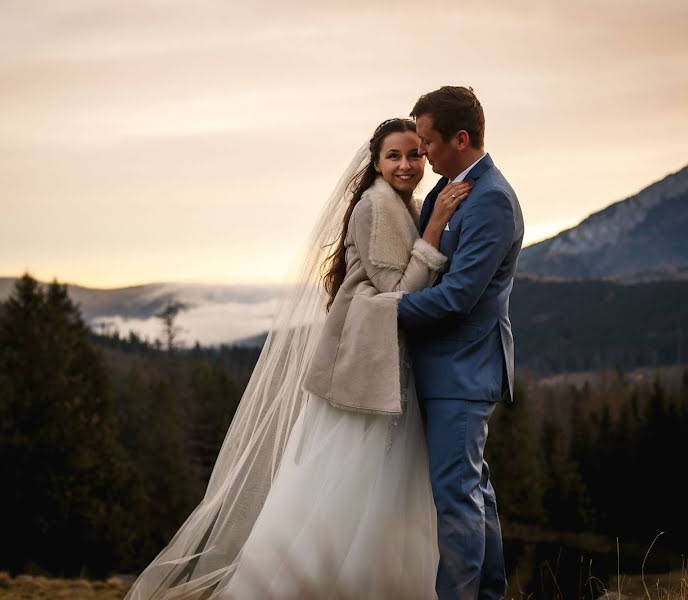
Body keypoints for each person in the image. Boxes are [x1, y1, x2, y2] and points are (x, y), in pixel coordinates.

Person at [123, 117, 471, 600]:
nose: (407, 164)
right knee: (349, 482)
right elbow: (399, 291)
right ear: (375, 163)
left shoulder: (399, 205)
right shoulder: (379, 206)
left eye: (415, 154)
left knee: (361, 484)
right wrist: (434, 229)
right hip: (367, 368)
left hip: (379, 364)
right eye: (394, 155)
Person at [397, 86, 524, 600]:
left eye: (427, 141)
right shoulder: (453, 188)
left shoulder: (491, 199)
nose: (421, 151)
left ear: (461, 138)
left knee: (456, 501)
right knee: (474, 495)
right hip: (447, 369)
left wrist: (380, 311)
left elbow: (456, 298)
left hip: (463, 372)